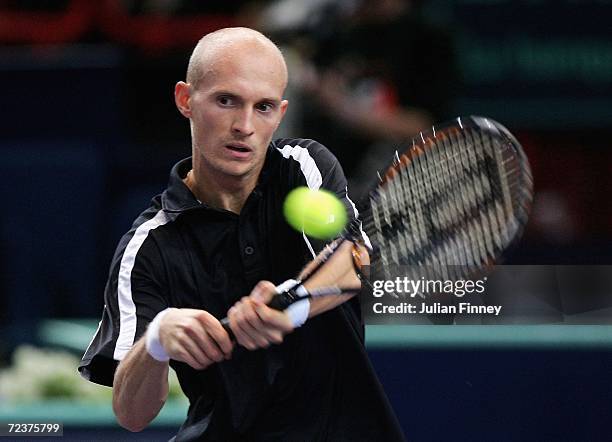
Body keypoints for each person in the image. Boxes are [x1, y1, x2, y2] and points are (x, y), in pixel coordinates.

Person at [79, 27, 405, 441]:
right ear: (185, 100)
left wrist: (290, 304)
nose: (245, 125)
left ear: (281, 113)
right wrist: (157, 341)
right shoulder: (148, 246)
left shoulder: (302, 166)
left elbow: (352, 262)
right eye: (226, 100)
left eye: (264, 107)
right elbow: (132, 413)